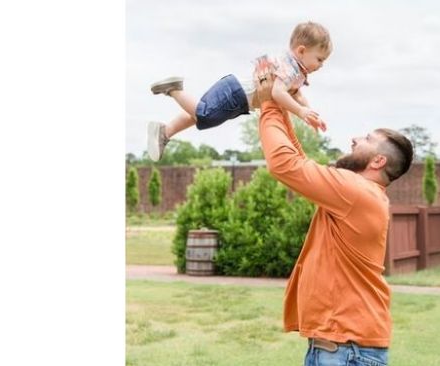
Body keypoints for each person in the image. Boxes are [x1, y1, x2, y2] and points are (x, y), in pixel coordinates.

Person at [254, 71, 414, 366]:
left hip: (344, 349)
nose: (354, 139)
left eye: (366, 139)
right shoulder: (357, 194)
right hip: (343, 347)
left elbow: (284, 164)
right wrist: (282, 102)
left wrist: (267, 102)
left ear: (378, 161)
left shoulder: (356, 192)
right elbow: (299, 163)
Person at [146, 21, 332, 161]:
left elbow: (296, 93)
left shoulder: (297, 71)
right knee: (205, 115)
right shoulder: (290, 67)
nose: (322, 65)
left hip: (236, 95)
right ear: (301, 51)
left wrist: (310, 113)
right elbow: (277, 93)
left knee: (198, 113)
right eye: (320, 59)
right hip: (236, 94)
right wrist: (301, 111)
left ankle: (165, 132)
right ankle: (175, 89)